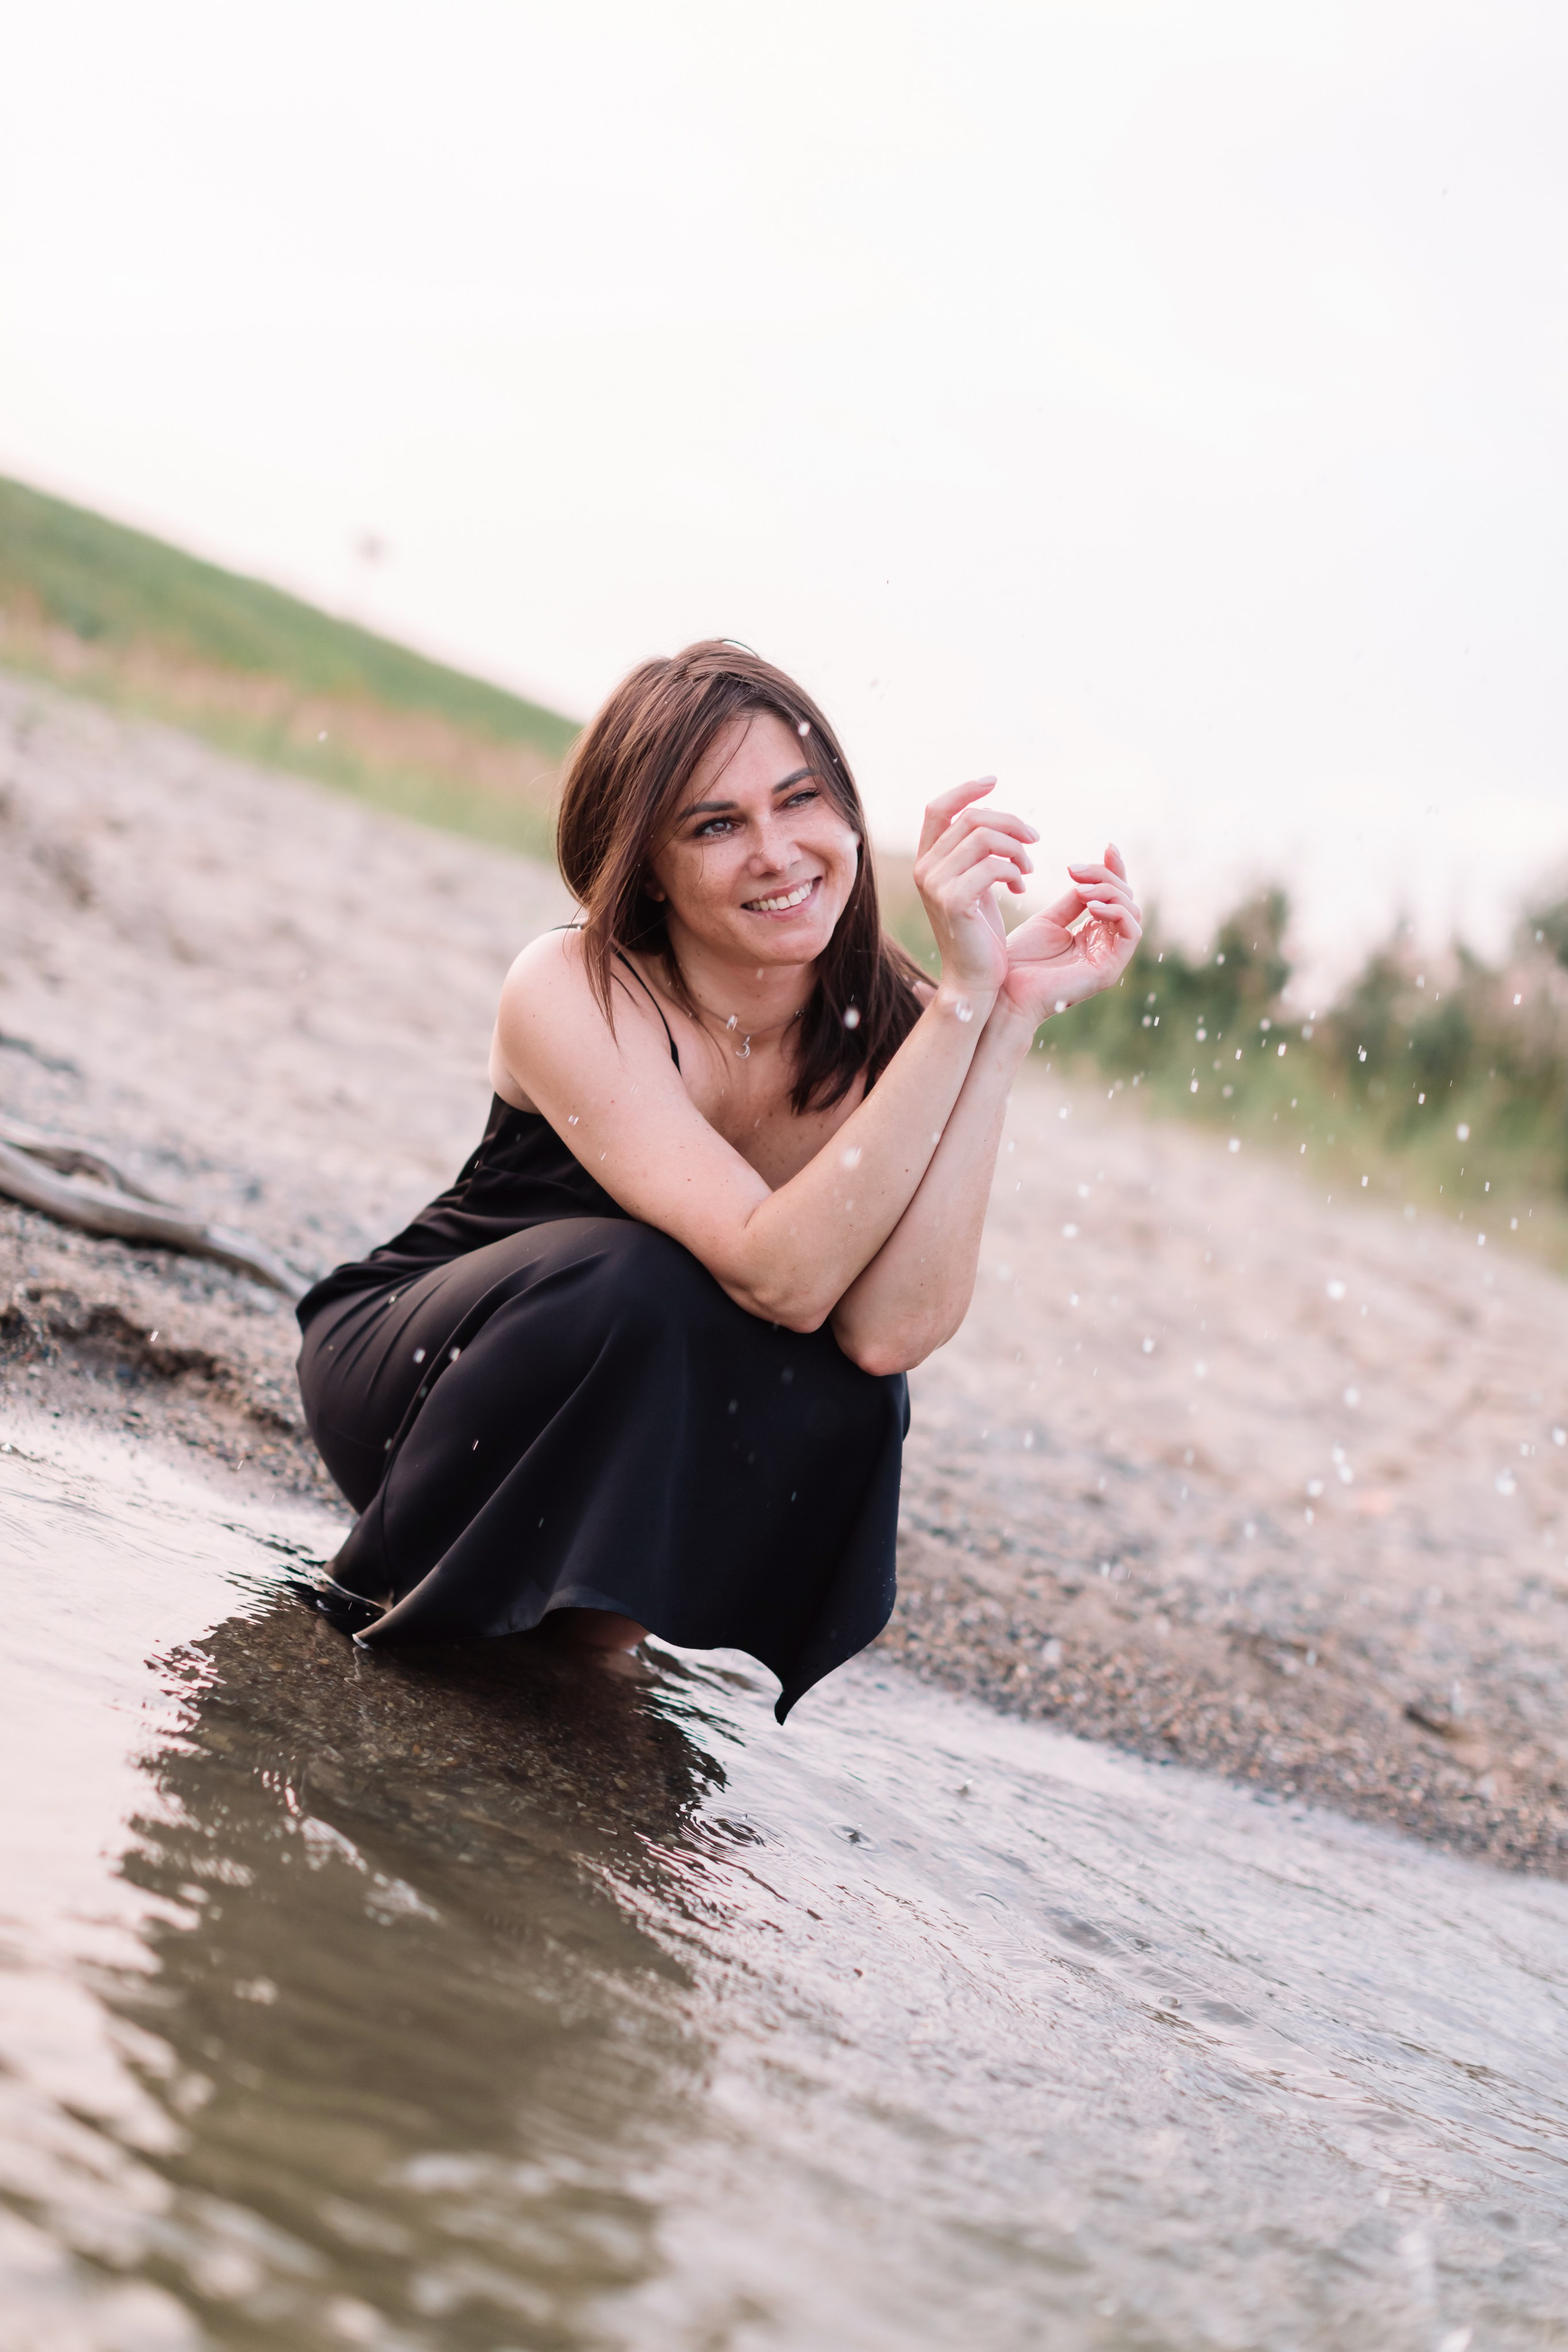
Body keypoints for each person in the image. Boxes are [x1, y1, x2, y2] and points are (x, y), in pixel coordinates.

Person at [295, 643, 1140, 1717]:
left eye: (802, 802)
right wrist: (958, 1011)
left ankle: (588, 1662)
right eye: (716, 824)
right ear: (648, 863)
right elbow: (773, 1274)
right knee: (648, 1281)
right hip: (426, 1379)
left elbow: (889, 1335)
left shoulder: (906, 1024)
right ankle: (419, 1637)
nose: (778, 853)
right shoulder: (574, 986)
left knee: (849, 1387)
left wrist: (998, 1009)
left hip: (642, 1404)